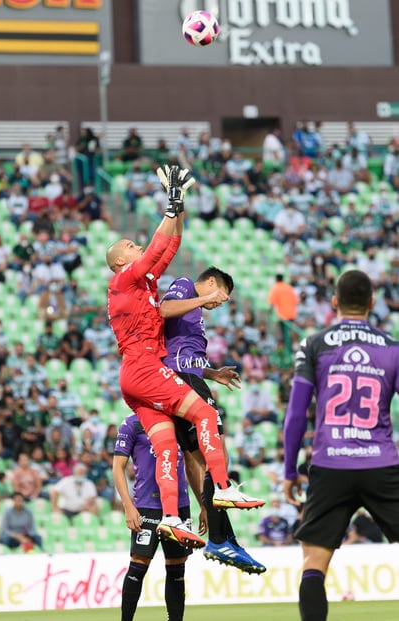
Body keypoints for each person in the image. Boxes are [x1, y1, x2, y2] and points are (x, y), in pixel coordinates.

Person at [107, 165, 264, 549]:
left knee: (166, 446)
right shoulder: (125, 278)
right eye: (130, 245)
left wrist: (178, 209)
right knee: (206, 415)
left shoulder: (141, 282)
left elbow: (169, 246)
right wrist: (170, 205)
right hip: (145, 366)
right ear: (119, 262)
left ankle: (173, 518)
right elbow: (153, 251)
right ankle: (224, 487)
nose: (137, 246)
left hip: (134, 377)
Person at [283, 270, 399, 621]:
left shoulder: (315, 344)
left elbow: (295, 413)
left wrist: (290, 470)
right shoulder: (393, 349)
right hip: (381, 463)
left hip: (330, 464)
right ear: (373, 304)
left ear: (334, 303)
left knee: (313, 565)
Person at [161, 266, 266, 573]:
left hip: (186, 377)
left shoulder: (195, 313)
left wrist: (212, 373)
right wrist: (202, 297)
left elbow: (178, 350)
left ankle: (221, 537)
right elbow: (164, 309)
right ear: (210, 282)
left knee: (199, 458)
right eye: (221, 295)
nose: (221, 302)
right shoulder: (184, 286)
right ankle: (221, 536)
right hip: (182, 380)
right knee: (218, 448)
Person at [113, 413, 202, 621]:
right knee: (139, 563)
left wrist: (203, 504)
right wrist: (128, 505)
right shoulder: (132, 423)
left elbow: (191, 465)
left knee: (177, 566)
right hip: (147, 506)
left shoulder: (179, 421)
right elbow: (118, 467)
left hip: (179, 506)